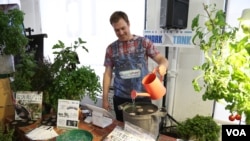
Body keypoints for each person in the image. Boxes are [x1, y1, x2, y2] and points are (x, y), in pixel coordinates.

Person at [102, 11, 169, 122]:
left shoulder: (144, 43)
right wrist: (104, 99)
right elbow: (107, 74)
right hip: (121, 98)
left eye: (123, 28)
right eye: (117, 30)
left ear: (128, 24)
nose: (121, 32)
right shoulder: (111, 49)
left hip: (143, 96)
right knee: (122, 128)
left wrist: (163, 67)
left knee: (144, 131)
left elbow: (163, 60)